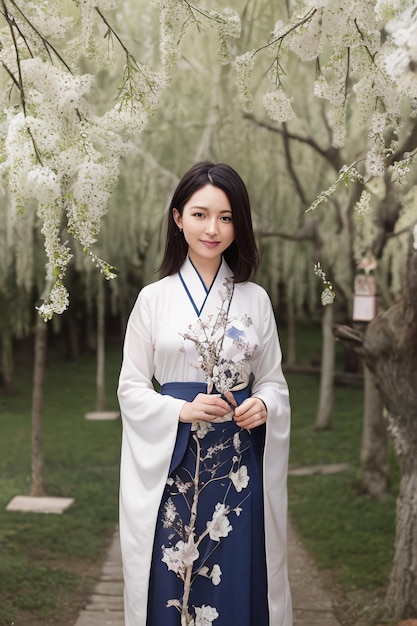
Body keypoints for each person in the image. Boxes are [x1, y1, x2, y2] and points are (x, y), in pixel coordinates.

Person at [117, 161, 292, 626]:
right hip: (172, 463)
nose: (213, 228)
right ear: (178, 218)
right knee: (171, 582)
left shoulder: (255, 299)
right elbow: (131, 386)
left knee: (235, 578)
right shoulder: (153, 299)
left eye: (227, 217)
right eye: (200, 214)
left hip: (236, 464)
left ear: (240, 223)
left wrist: (264, 403)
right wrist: (179, 408)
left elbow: (273, 380)